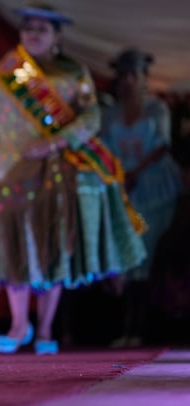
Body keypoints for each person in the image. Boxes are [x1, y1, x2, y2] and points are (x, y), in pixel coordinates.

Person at [0, 2, 147, 355]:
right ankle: (19, 324)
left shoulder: (74, 74)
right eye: (28, 27)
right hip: (9, 172)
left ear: (57, 36)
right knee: (13, 244)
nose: (33, 33)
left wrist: (55, 141)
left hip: (55, 171)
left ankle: (47, 328)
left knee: (51, 245)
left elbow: (90, 120)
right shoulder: (5, 73)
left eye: (41, 28)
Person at [100, 48, 184, 348]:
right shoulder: (110, 112)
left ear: (143, 78)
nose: (128, 81)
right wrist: (119, 175)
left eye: (133, 75)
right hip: (123, 187)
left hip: (153, 187)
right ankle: (125, 327)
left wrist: (136, 171)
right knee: (127, 254)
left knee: (146, 252)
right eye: (123, 75)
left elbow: (162, 144)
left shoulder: (156, 108)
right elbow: (104, 149)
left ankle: (142, 328)